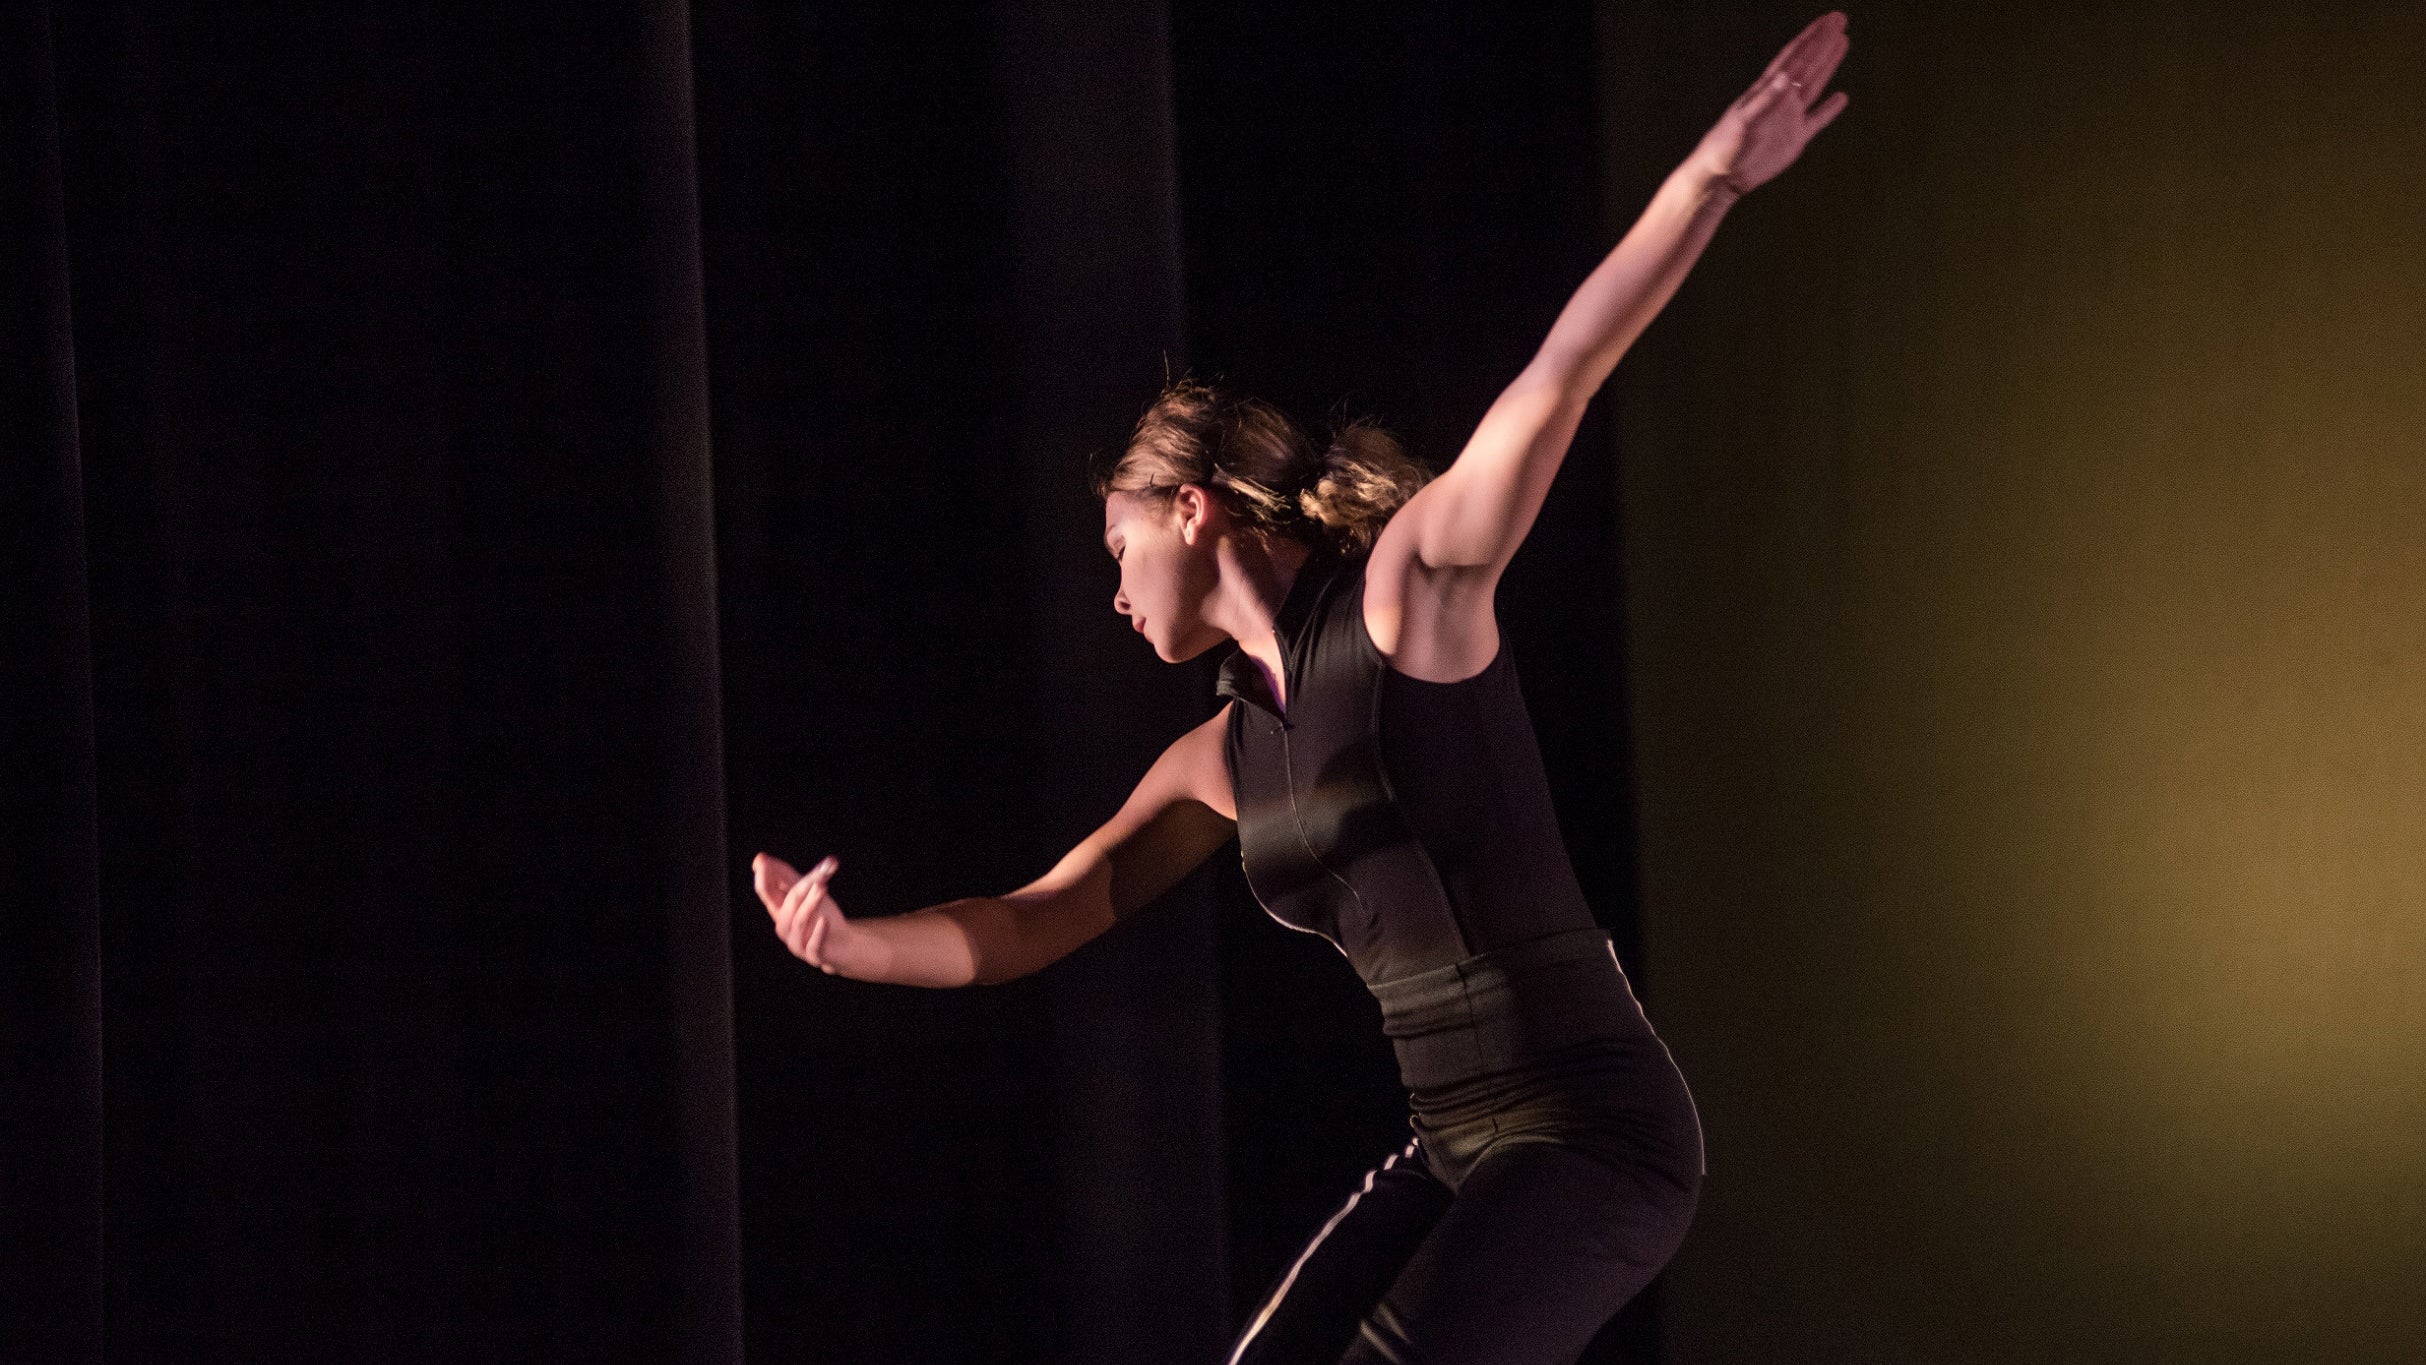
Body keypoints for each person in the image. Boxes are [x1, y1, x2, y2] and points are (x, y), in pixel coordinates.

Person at [752, 13, 1849, 1362]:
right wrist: (850, 946)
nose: (1113, 594)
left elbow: (1555, 383)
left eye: (1118, 547)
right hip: (1453, 1146)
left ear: (1193, 509)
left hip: (1594, 1135)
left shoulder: (1403, 603)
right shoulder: (1218, 757)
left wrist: (1709, 180)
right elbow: (1041, 915)